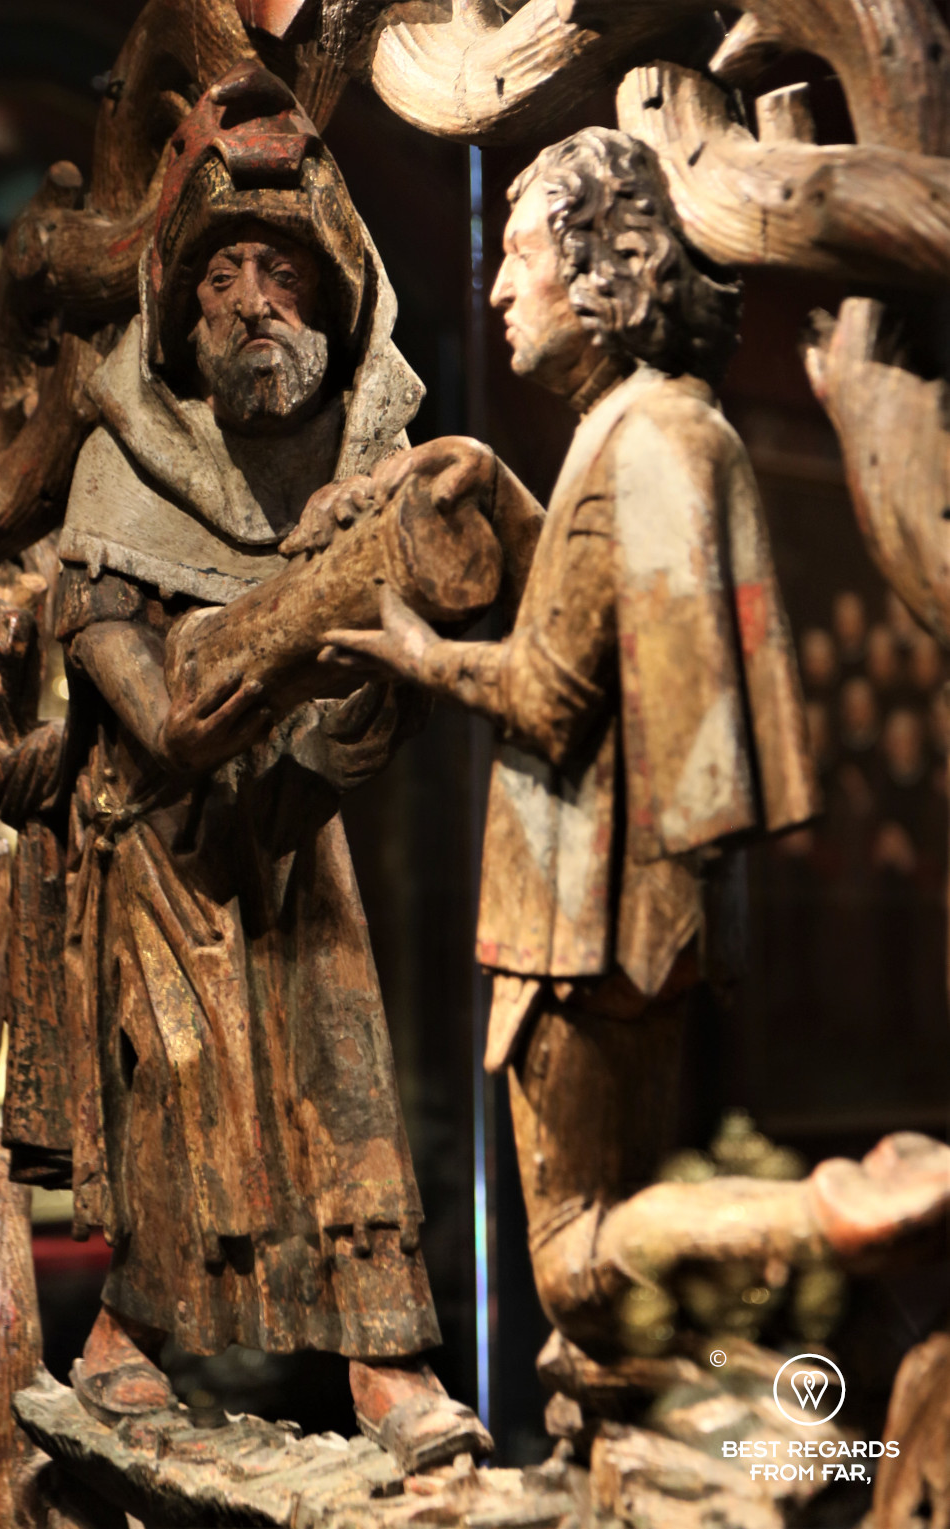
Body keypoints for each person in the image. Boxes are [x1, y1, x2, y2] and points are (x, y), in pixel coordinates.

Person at [1, 61, 490, 1468]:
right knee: (189, 1102)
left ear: (332, 299)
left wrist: (350, 669)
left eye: (283, 270)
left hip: (285, 834)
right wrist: (283, 638)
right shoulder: (125, 467)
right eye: (225, 273)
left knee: (342, 1077)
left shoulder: (350, 480)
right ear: (181, 304)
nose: (255, 300)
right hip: (154, 845)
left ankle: (386, 1365)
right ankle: (128, 1335)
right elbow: (156, 716)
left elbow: (363, 718)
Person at [317, 127, 823, 1354]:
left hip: (589, 909)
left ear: (603, 270)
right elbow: (598, 617)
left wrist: (415, 653)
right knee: (596, 1285)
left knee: (576, 1262)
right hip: (621, 905)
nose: (494, 286)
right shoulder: (658, 427)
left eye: (519, 253)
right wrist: (490, 479)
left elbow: (552, 690)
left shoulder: (642, 441)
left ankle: (832, 1222)